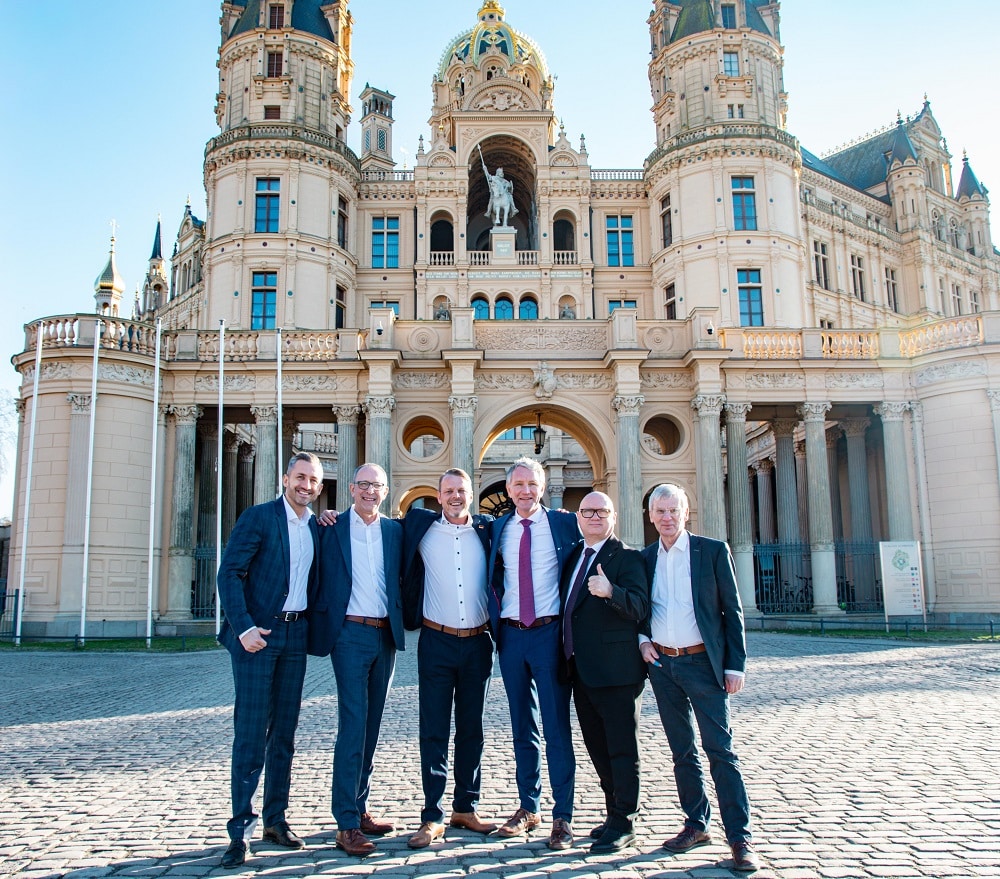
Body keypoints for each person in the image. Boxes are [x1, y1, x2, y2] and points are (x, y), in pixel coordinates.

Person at [640, 484, 760, 873]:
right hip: (663, 667)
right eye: (660, 511)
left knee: (721, 751)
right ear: (651, 515)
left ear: (686, 512)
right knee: (682, 751)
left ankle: (740, 839)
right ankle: (696, 824)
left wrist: (734, 665)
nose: (667, 517)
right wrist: (643, 640)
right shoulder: (645, 559)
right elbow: (643, 608)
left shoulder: (711, 551)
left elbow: (733, 611)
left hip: (704, 665)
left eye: (673, 509)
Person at [216, 452, 324, 869]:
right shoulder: (258, 517)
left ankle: (276, 821)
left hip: (295, 634)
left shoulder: (317, 526)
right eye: (300, 477)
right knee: (249, 734)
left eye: (313, 480)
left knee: (284, 734)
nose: (306, 485)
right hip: (257, 637)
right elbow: (230, 573)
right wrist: (243, 627)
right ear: (285, 479)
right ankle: (239, 830)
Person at [307, 463, 404, 858]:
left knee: (373, 726)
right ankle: (345, 823)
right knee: (353, 725)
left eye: (376, 486)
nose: (369, 491)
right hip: (348, 634)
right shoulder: (329, 527)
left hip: (385, 636)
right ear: (350, 489)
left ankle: (360, 807)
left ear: (385, 491)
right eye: (363, 485)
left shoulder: (395, 531)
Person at [401, 468, 499, 848]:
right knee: (434, 730)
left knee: (472, 730)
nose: (455, 496)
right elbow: (372, 515)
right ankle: (432, 814)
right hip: (436, 642)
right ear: (438, 496)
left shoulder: (489, 531)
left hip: (478, 643)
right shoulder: (420, 527)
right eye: (448, 491)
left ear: (471, 494)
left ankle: (465, 807)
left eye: (461, 490)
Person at [487, 456, 581, 850]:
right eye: (518, 484)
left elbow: (601, 544)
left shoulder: (564, 524)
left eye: (532, 484)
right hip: (510, 638)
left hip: (549, 635)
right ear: (508, 490)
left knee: (557, 727)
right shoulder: (495, 529)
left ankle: (563, 816)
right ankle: (529, 806)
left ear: (542, 487)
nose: (525, 491)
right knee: (522, 726)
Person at [561, 492, 649, 854]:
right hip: (581, 670)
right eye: (587, 511)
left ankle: (626, 819)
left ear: (614, 516)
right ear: (578, 517)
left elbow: (641, 606)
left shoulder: (627, 557)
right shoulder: (574, 556)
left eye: (602, 511)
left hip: (617, 672)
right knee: (597, 747)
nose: (594, 517)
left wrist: (611, 591)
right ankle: (613, 813)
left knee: (622, 749)